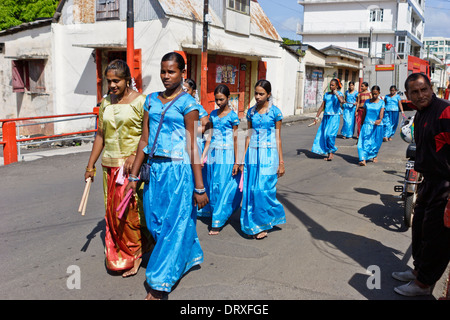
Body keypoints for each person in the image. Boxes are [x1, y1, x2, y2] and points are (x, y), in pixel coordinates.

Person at [125, 52, 208, 300]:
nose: (165, 76)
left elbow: (193, 146)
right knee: (154, 223)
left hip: (179, 171)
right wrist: (134, 175)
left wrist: (200, 187)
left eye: (171, 71)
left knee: (174, 225)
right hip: (155, 171)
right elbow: (144, 139)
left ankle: (160, 283)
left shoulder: (188, 105)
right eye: (163, 71)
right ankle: (185, 255)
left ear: (183, 73)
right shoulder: (151, 100)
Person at [84, 59, 151, 278]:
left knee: (131, 211)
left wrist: (134, 155)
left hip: (131, 167)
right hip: (108, 165)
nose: (112, 85)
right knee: (112, 213)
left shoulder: (141, 102)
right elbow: (101, 135)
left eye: (117, 81)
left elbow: (146, 135)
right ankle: (121, 253)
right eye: (109, 81)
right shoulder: (106, 103)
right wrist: (90, 164)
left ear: (127, 80)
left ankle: (137, 252)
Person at [392, 73, 450, 297]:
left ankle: (424, 284)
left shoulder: (444, 111)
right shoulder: (420, 115)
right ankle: (419, 271)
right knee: (420, 230)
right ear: (407, 95)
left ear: (431, 88)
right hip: (428, 181)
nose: (420, 95)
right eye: (414, 92)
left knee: (437, 238)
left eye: (423, 89)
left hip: (445, 185)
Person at [240, 80, 286, 239]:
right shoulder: (251, 112)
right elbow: (249, 135)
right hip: (252, 154)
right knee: (251, 190)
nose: (258, 97)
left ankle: (268, 218)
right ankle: (256, 224)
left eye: (261, 94)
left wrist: (281, 162)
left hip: (269, 154)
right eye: (256, 93)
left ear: (268, 95)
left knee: (263, 189)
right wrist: (242, 158)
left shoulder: (275, 113)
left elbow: (278, 138)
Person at [201, 84, 242, 235]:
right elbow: (209, 137)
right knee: (212, 185)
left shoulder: (233, 116)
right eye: (216, 100)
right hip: (213, 154)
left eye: (221, 99)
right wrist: (203, 155)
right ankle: (216, 214)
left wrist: (237, 161)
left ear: (228, 98)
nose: (218, 103)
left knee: (223, 186)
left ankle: (217, 220)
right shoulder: (212, 114)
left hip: (227, 154)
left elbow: (237, 139)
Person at [183, 78, 211, 216]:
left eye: (186, 90)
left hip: (194, 145)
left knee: (192, 177)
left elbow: (207, 127)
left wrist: (190, 130)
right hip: (179, 146)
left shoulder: (197, 108)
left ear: (193, 92)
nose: (183, 92)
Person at [311, 79, 345, 161]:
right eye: (330, 85)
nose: (331, 86)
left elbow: (342, 101)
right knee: (325, 135)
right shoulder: (326, 95)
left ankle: (331, 151)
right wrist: (317, 117)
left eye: (333, 85)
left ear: (336, 86)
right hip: (326, 117)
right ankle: (329, 152)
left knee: (330, 135)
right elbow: (322, 106)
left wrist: (336, 93)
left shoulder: (339, 94)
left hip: (334, 117)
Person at [356, 85, 385, 166]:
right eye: (373, 94)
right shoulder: (367, 102)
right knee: (364, 142)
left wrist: (380, 119)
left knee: (375, 143)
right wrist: (361, 124)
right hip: (366, 125)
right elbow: (364, 113)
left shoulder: (381, 102)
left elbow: (381, 113)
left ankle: (374, 155)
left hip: (377, 126)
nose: (374, 96)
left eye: (376, 94)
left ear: (379, 93)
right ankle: (363, 159)